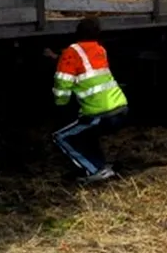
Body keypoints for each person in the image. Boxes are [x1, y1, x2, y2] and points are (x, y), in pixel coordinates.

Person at [50, 17, 129, 184]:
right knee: (86, 132)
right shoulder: (100, 50)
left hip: (100, 113)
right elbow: (84, 64)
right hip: (120, 108)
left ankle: (94, 170)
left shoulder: (71, 52)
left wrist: (60, 105)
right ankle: (100, 164)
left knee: (60, 136)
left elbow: (62, 84)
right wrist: (57, 56)